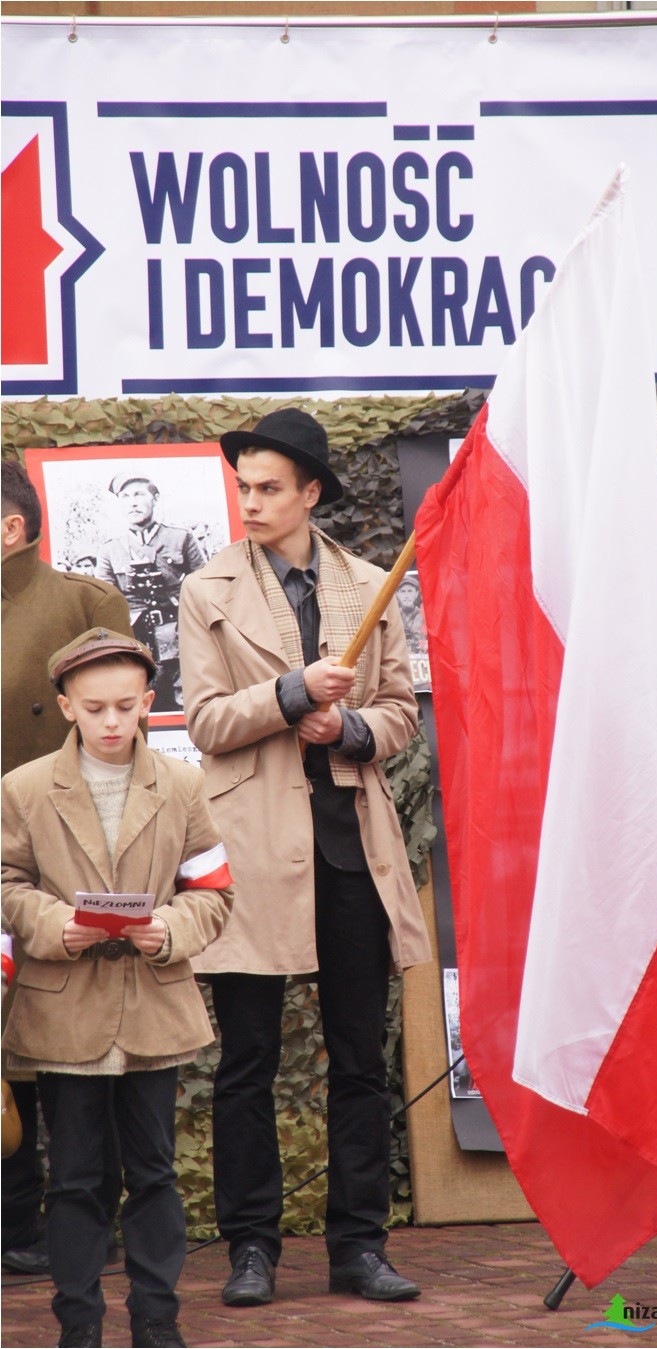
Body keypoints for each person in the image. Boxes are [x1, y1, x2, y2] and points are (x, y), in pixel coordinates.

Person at [178, 408, 431, 1307]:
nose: (249, 501)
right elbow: (205, 722)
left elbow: (400, 711)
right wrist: (289, 694)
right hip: (250, 850)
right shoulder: (204, 589)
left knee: (360, 1057)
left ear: (310, 492)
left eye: (268, 487)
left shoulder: (370, 583)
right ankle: (252, 1249)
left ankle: (358, 1247)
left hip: (352, 849)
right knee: (245, 1057)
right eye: (243, 486)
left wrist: (348, 724)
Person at [1, 629, 234, 1349]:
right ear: (65, 705)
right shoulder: (24, 788)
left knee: (155, 1171)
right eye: (95, 706)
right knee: (73, 1177)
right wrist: (50, 923)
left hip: (152, 1004)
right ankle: (79, 1324)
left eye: (125, 706)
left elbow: (214, 890)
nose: (110, 721)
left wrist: (168, 926)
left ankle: (157, 1322)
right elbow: (7, 884)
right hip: (62, 1007)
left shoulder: (185, 784)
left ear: (147, 704)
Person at [1, 459, 135, 1276]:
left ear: (11, 525)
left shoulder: (81, 603)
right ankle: (13, 1221)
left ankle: (78, 1221)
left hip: (60, 856)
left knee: (70, 1046)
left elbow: (120, 732)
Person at [96, 475, 205, 711]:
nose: (132, 502)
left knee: (186, 709)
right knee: (139, 710)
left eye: (139, 494)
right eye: (125, 497)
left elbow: (207, 586)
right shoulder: (110, 549)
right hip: (133, 644)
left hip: (179, 639)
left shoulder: (181, 538)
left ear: (155, 498)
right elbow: (103, 601)